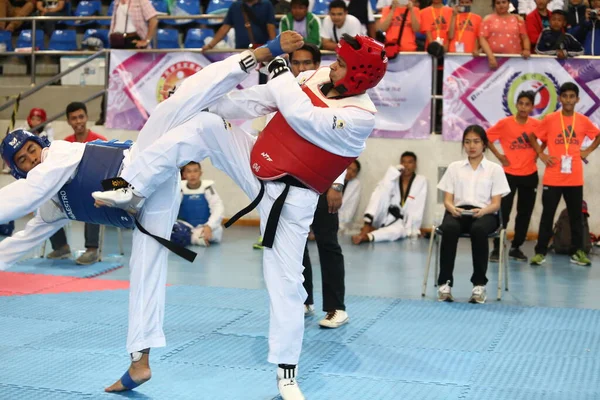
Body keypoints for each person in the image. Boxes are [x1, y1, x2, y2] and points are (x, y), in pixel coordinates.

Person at [0, 37, 302, 398]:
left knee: (178, 104)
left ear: (41, 144)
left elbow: (26, 194)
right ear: (16, 170)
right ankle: (139, 361)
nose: (32, 159)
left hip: (140, 166)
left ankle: (257, 56)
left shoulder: (58, 156)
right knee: (145, 272)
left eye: (32, 150)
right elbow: (20, 241)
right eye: (24, 161)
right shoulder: (51, 206)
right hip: (146, 209)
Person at [92, 33, 387, 400]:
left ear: (359, 76)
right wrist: (207, 106)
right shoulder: (318, 77)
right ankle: (129, 187)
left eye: (342, 64)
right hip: (257, 163)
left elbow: (301, 115)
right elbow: (259, 101)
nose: (331, 66)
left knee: (286, 285)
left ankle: (287, 375)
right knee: (204, 126)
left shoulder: (361, 117)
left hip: (291, 202)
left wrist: (279, 70)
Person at [285, 44, 350, 329]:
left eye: (307, 63)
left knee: (327, 242)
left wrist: (337, 183)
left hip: (326, 178)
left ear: (318, 64)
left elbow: (346, 143)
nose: (301, 69)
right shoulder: (284, 91)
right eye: (296, 63)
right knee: (295, 242)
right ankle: (304, 298)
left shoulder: (336, 93)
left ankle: (337, 307)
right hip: (294, 177)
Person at [528, 82, 600, 266]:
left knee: (576, 216)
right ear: (560, 98)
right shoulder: (551, 119)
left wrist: (587, 151)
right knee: (547, 215)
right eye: (565, 96)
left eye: (571, 96)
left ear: (577, 99)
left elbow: (598, 136)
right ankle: (540, 252)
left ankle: (578, 252)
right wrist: (541, 154)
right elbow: (532, 135)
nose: (568, 100)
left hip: (574, 177)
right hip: (553, 176)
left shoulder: (582, 121)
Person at [436, 125, 511, 304]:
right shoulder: (455, 167)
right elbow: (447, 199)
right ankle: (445, 284)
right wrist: (452, 208)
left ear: (484, 144)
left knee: (478, 230)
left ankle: (479, 285)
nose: (472, 146)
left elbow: (496, 204)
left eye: (476, 142)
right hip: (458, 211)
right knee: (449, 228)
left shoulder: (495, 169)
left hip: (485, 213)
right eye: (468, 142)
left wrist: (483, 211)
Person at [46, 102, 108, 265]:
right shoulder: (64, 144)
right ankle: (61, 246)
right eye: (74, 118)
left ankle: (92, 250)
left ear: (86, 118)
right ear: (68, 121)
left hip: (95, 192)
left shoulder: (100, 142)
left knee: (94, 198)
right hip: (72, 192)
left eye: (81, 117)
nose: (78, 121)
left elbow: (109, 172)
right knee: (48, 201)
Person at [486, 91, 540, 262]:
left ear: (532, 107)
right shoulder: (505, 124)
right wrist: (500, 156)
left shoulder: (536, 124)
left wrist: (539, 153)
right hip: (508, 175)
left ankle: (516, 247)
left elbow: (547, 138)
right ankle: (496, 247)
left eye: (527, 104)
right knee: (503, 212)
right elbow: (485, 137)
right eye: (521, 103)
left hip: (529, 174)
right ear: (516, 105)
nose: (524, 107)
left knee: (524, 213)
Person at [352, 151, 427, 244]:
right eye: (403, 162)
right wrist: (392, 173)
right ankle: (367, 225)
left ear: (415, 165)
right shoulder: (393, 178)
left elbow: (419, 206)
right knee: (381, 189)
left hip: (401, 223)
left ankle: (367, 236)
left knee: (397, 232)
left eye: (410, 162)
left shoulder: (420, 181)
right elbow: (381, 194)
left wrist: (412, 229)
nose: (406, 165)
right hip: (383, 216)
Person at [175, 162, 224, 247]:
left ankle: (191, 238)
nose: (192, 175)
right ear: (184, 174)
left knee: (217, 231)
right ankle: (195, 238)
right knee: (173, 230)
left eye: (195, 171)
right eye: (189, 171)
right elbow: (171, 209)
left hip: (204, 227)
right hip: (185, 227)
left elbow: (218, 208)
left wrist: (209, 226)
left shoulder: (208, 188)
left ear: (200, 173)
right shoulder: (180, 189)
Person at [203, 0, 277, 50]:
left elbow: (271, 27)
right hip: (240, 51)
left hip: (261, 50)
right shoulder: (235, 6)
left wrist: (273, 47)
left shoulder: (266, 5)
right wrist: (210, 45)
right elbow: (225, 28)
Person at [479, 0, 531, 69]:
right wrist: (491, 57)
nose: (501, 5)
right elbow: (482, 38)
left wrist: (526, 49)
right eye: (498, 3)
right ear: (494, 4)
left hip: (514, 61)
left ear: (509, 3)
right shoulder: (487, 19)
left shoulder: (518, 19)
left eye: (504, 2)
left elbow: (525, 37)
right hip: (491, 61)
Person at [338, 159, 362, 232]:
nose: (350, 172)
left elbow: (350, 209)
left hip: (340, 222)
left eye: (354, 171)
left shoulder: (356, 185)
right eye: (349, 168)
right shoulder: (334, 178)